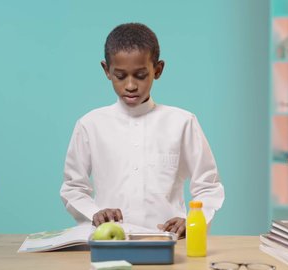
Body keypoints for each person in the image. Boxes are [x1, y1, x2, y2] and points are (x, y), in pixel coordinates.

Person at [60, 23, 224, 237]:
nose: (130, 85)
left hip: (169, 241)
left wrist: (192, 221)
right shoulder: (90, 125)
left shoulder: (183, 122)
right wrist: (94, 213)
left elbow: (209, 187)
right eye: (120, 76)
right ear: (106, 71)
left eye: (140, 75)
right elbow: (73, 187)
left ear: (157, 70)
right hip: (108, 243)